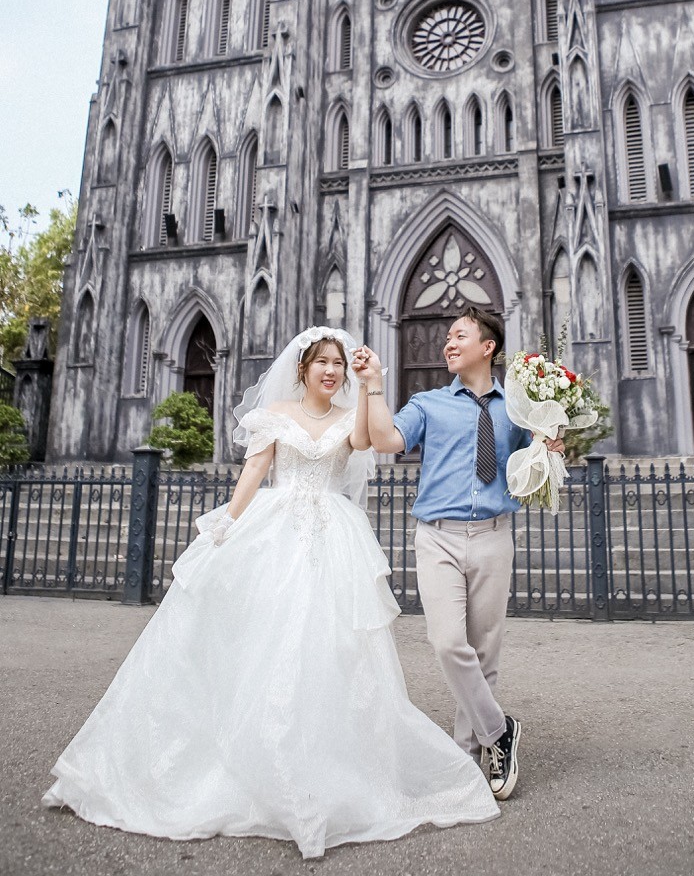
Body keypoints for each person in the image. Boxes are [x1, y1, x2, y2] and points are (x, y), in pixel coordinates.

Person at [43, 328, 499, 859]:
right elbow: (255, 470)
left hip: (333, 539)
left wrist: (373, 382)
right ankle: (258, 761)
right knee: (266, 644)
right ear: (302, 368)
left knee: (332, 652)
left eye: (337, 364)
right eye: (321, 363)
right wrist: (224, 526)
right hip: (278, 533)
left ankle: (323, 767)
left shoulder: (346, 416)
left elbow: (363, 442)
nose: (331, 371)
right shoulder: (276, 414)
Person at [353, 307, 563, 803]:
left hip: (494, 533)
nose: (448, 343)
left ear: (487, 347)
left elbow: (538, 454)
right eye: (446, 336)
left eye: (459, 335)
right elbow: (386, 441)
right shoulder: (427, 403)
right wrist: (374, 385)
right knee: (448, 642)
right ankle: (501, 729)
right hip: (438, 536)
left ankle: (467, 758)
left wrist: (552, 438)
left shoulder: (517, 407)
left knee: (484, 651)